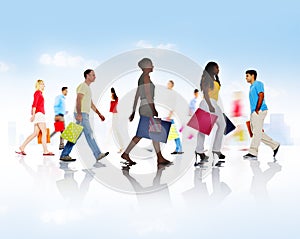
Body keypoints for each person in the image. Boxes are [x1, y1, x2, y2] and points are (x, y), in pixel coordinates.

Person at [121, 58, 171, 165]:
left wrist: (134, 111)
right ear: (147, 66)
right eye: (151, 64)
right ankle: (127, 153)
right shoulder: (146, 77)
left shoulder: (141, 78)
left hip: (143, 107)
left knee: (152, 132)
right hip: (148, 107)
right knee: (147, 133)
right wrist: (154, 109)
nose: (153, 66)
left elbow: (137, 95)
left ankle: (159, 157)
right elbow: (148, 95)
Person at [59, 69, 109, 162]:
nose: (95, 76)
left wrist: (99, 114)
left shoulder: (87, 88)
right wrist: (78, 114)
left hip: (83, 113)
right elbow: (78, 100)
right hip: (81, 113)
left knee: (75, 135)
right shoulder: (83, 86)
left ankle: (64, 154)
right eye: (93, 75)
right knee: (89, 133)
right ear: (87, 76)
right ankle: (98, 154)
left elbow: (91, 104)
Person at [243, 70, 280, 159]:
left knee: (256, 132)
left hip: (259, 110)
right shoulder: (251, 87)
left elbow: (261, 95)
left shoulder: (258, 83)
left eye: (247, 75)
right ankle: (275, 145)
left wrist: (257, 109)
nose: (246, 77)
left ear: (253, 76)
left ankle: (253, 152)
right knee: (257, 132)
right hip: (254, 112)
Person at [195, 62, 226, 165]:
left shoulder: (215, 80)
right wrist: (210, 105)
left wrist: (214, 105)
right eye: (217, 67)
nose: (218, 69)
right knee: (203, 130)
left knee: (222, 125)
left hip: (214, 103)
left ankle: (216, 149)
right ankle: (199, 151)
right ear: (212, 68)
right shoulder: (206, 79)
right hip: (206, 103)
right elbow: (205, 93)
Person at [16, 80, 54, 156]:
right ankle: (45, 151)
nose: (43, 85)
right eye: (42, 84)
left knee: (35, 133)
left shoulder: (40, 93)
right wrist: (33, 115)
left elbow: (35, 104)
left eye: (44, 84)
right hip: (39, 114)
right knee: (44, 132)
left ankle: (22, 147)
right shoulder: (37, 93)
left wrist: (34, 114)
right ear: (38, 85)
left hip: (38, 114)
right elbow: (34, 104)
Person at [166, 80, 183, 154]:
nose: (167, 85)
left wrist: (169, 116)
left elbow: (173, 106)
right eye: (167, 84)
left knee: (174, 133)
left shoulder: (173, 94)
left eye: (169, 84)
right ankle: (178, 149)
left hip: (169, 117)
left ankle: (179, 149)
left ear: (172, 85)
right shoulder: (168, 93)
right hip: (166, 116)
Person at [110, 87, 124, 153]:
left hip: (116, 115)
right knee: (114, 130)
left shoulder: (115, 99)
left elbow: (114, 108)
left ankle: (122, 146)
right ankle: (121, 146)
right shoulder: (114, 100)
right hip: (114, 115)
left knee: (116, 130)